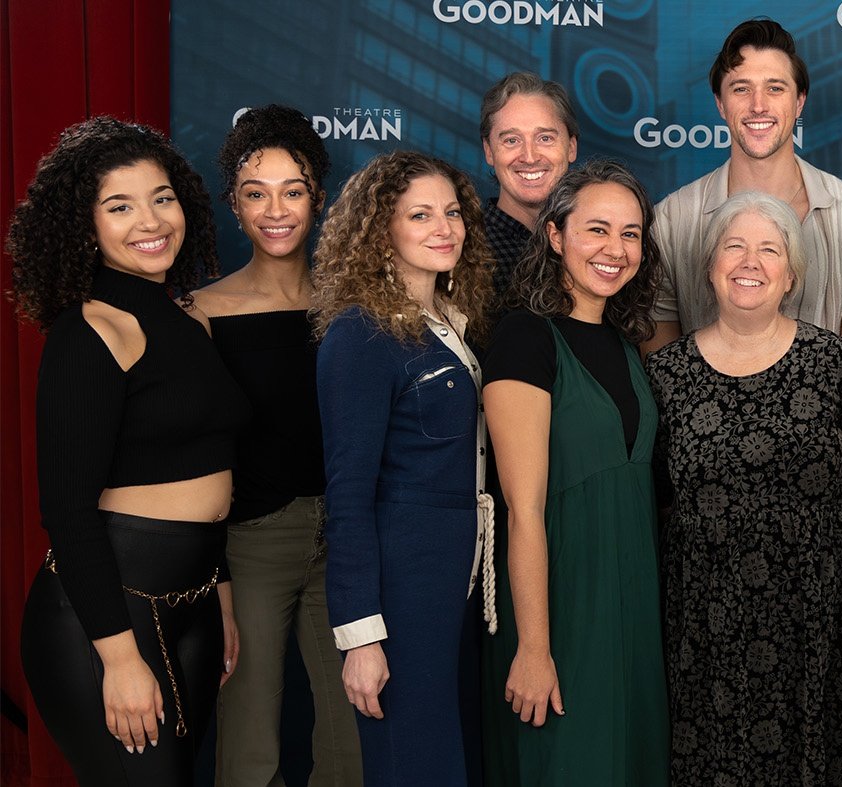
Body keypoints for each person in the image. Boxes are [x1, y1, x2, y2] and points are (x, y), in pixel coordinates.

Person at [11, 117, 245, 784]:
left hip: (195, 603)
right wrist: (117, 657)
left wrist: (220, 591)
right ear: (85, 226)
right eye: (120, 206)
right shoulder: (89, 329)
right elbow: (67, 509)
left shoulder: (184, 319)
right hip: (108, 613)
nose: (150, 220)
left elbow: (208, 458)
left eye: (161, 197)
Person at [647, 191, 842, 786]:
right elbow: (658, 495)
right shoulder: (665, 375)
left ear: (791, 274)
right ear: (709, 269)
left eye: (769, 249)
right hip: (709, 623)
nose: (749, 261)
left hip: (822, 617)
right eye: (733, 247)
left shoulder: (833, 361)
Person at [481, 160, 668, 786]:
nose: (615, 249)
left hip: (632, 604)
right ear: (556, 236)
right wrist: (534, 649)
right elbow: (523, 510)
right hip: (561, 605)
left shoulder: (625, 340)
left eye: (631, 233)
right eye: (596, 230)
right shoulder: (523, 338)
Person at [312, 150, 495, 786]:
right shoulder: (359, 334)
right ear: (380, 230)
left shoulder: (452, 320)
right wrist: (360, 635)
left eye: (452, 212)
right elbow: (349, 493)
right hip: (404, 580)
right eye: (420, 215)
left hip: (461, 579)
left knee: (453, 756)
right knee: (413, 764)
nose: (444, 227)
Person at [191, 105, 362, 786]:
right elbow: (194, 453)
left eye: (292, 190)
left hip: (347, 537)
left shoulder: (352, 307)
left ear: (318, 199)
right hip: (253, 540)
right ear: (233, 205)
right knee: (250, 738)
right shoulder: (202, 313)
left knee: (352, 729)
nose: (276, 209)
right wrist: (221, 580)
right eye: (256, 193)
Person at [643, 18, 842, 365]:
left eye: (775, 88)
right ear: (720, 104)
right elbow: (663, 374)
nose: (758, 105)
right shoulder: (670, 223)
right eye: (741, 89)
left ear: (799, 102)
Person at [479, 71, 579, 293]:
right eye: (512, 140)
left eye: (545, 138)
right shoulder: (465, 248)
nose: (530, 157)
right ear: (489, 151)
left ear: (571, 147)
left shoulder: (594, 243)